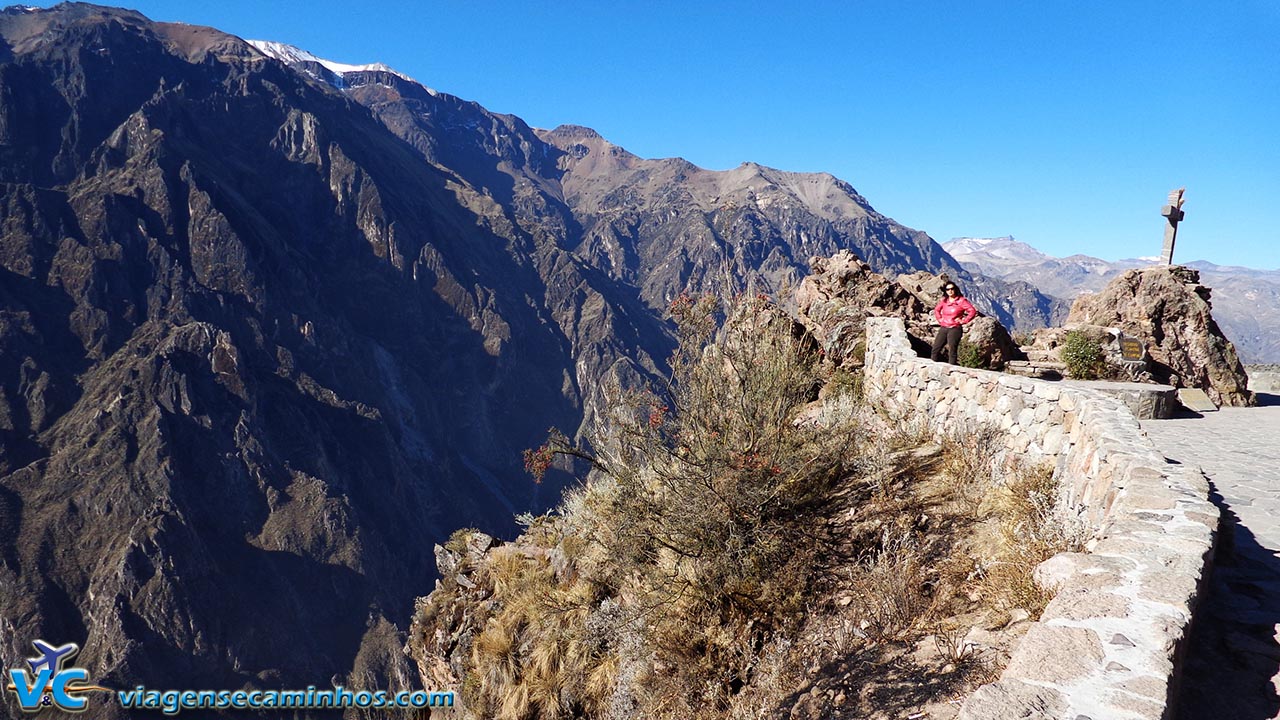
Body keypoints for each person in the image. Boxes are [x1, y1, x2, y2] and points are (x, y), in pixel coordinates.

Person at [931, 282, 977, 364]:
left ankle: (951, 369)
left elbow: (972, 311)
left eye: (952, 289)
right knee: (936, 348)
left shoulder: (961, 301)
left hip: (955, 328)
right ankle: (933, 366)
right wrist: (940, 319)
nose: (950, 291)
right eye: (948, 289)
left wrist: (964, 321)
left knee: (952, 350)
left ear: (955, 289)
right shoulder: (944, 301)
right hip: (944, 327)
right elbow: (937, 310)